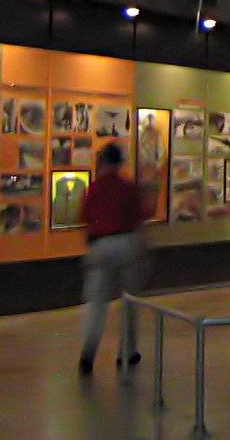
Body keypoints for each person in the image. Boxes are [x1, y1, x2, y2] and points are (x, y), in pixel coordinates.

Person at [79, 142, 147, 375]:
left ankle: (88, 352)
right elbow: (139, 217)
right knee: (129, 301)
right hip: (127, 243)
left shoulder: (95, 187)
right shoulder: (128, 187)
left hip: (100, 244)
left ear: (103, 161)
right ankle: (127, 353)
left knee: (96, 302)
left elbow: (85, 216)